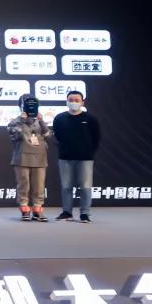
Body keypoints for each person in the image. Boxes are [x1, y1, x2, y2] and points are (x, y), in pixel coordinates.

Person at [54, 90, 101, 223]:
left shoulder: (90, 119)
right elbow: (57, 137)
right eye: (71, 100)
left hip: (85, 158)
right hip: (65, 157)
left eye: (76, 100)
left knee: (85, 187)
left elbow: (96, 138)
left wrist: (88, 151)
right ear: (67, 102)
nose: (73, 102)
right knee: (66, 186)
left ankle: (84, 213)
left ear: (82, 102)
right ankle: (67, 212)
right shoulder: (59, 118)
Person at [8, 93, 51, 222]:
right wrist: (22, 121)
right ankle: (24, 208)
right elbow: (14, 136)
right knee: (23, 184)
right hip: (22, 157)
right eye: (26, 103)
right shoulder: (15, 121)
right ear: (21, 106)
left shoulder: (40, 120)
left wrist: (41, 121)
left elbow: (48, 135)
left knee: (39, 185)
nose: (30, 106)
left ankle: (38, 209)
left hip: (40, 157)